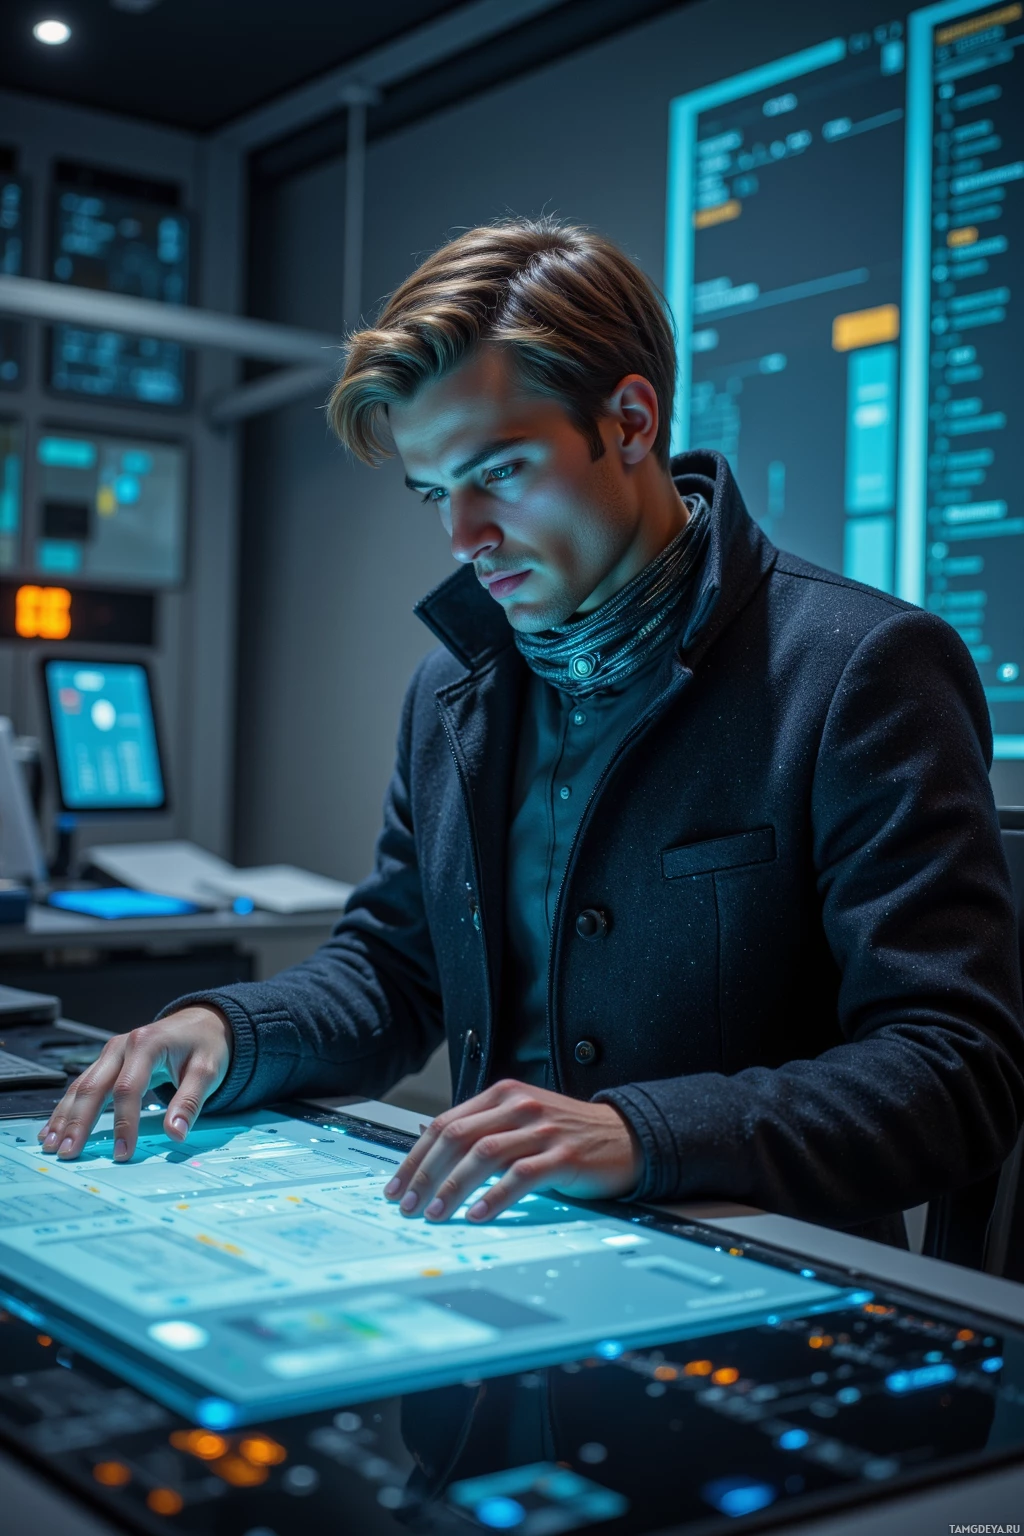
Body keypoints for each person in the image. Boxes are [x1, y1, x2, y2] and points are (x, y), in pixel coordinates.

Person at [38, 218, 1024, 1247]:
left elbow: (954, 1071)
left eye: (497, 473)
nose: (462, 538)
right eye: (434, 493)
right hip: (497, 1269)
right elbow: (395, 970)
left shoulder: (860, 666)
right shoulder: (450, 689)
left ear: (631, 421)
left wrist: (639, 1133)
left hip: (764, 1293)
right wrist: (229, 1030)